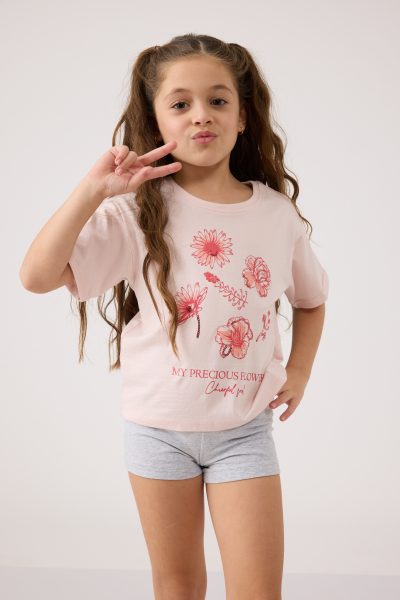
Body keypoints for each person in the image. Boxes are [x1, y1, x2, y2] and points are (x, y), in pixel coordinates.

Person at [20, 33, 329, 600]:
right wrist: (93, 191)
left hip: (244, 432)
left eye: (218, 100)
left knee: (259, 590)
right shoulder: (137, 211)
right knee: (178, 585)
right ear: (157, 121)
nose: (201, 115)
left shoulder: (275, 214)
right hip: (157, 432)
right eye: (181, 103)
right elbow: (36, 276)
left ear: (243, 117)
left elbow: (312, 299)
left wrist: (301, 370)